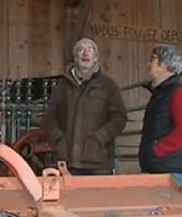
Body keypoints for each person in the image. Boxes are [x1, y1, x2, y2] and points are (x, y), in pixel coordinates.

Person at [41, 38, 127, 175]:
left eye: (90, 50)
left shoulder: (108, 86)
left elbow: (119, 118)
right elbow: (48, 118)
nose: (85, 53)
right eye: (81, 50)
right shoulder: (62, 87)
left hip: (98, 162)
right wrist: (59, 139)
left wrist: (100, 137)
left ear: (95, 58)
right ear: (75, 57)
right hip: (67, 161)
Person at [138, 44, 182, 187]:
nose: (148, 64)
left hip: (170, 168)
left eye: (153, 59)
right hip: (161, 165)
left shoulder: (177, 93)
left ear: (165, 65)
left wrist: (157, 151)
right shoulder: (161, 94)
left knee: (166, 207)